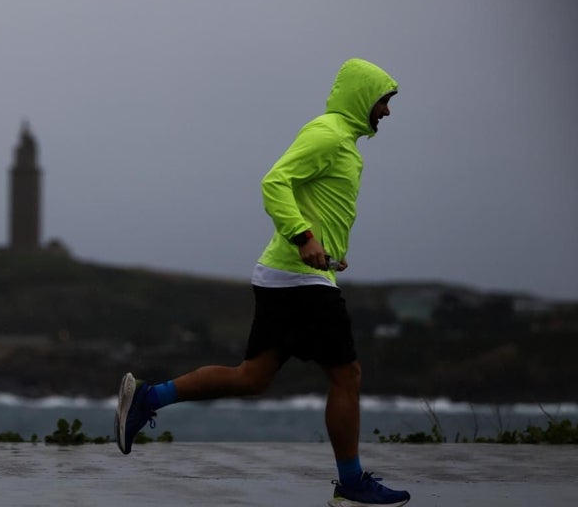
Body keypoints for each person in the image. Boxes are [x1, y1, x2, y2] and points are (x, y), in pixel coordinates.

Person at [114, 58, 410, 507]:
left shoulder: (344, 141)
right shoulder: (327, 133)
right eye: (384, 101)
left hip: (294, 275)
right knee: (347, 375)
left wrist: (326, 248)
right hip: (300, 280)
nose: (387, 112)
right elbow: (275, 181)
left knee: (251, 378)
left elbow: (313, 199)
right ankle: (350, 484)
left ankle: (149, 398)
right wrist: (303, 237)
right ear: (364, 96)